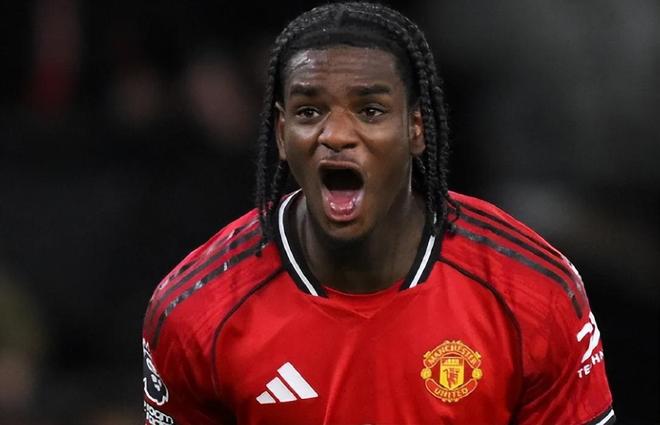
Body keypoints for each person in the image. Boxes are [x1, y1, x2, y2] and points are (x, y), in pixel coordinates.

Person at [142, 2, 614, 424]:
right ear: (282, 135)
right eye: (309, 112)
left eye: (369, 111)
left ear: (416, 128)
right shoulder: (196, 313)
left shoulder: (533, 293)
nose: (336, 135)